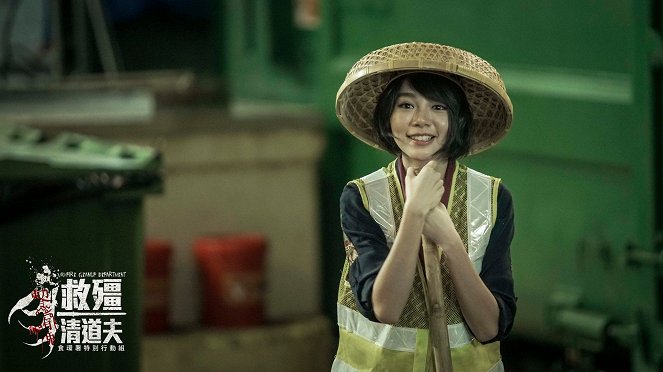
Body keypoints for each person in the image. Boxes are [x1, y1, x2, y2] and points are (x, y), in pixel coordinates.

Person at [332, 42, 516, 371]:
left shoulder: (493, 197)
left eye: (438, 107)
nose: (421, 120)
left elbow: (490, 328)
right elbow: (384, 307)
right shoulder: (361, 197)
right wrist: (414, 214)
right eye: (406, 105)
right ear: (387, 120)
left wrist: (449, 240)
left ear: (456, 120)